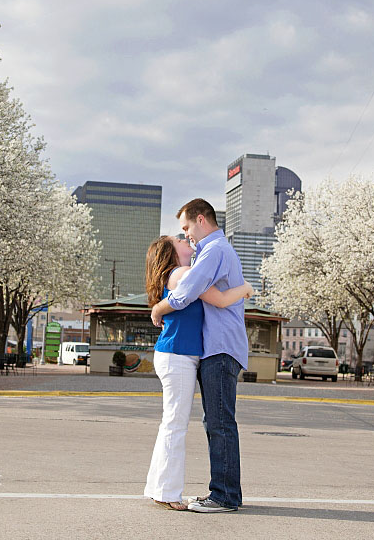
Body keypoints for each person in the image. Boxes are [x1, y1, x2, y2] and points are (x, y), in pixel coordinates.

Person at [150, 198, 249, 513]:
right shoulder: (208, 254)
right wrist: (246, 289)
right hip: (210, 348)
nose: (186, 235)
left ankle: (224, 496)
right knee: (213, 422)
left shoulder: (214, 251)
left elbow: (185, 295)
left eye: (186, 228)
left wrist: (158, 308)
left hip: (219, 347)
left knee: (218, 422)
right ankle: (219, 493)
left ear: (202, 219)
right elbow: (205, 295)